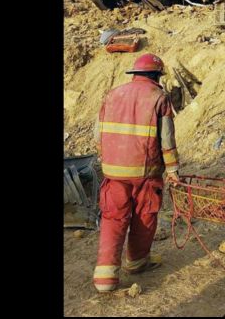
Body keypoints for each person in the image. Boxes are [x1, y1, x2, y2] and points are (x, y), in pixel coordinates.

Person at [92, 53, 180, 292]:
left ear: (135, 74)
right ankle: (137, 262)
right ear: (155, 76)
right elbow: (166, 140)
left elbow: (98, 135)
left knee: (113, 218)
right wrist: (172, 169)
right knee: (144, 215)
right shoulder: (159, 97)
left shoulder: (112, 95)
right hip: (145, 173)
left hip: (113, 172)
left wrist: (108, 159)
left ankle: (105, 278)